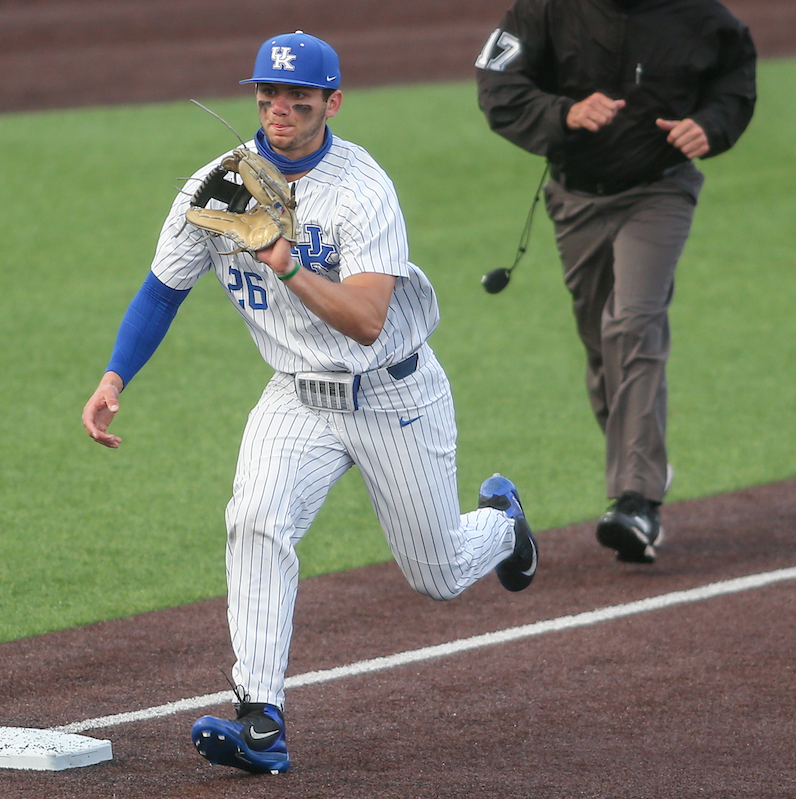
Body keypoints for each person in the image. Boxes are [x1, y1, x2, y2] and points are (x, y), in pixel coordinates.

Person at [82, 31, 538, 775]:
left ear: (333, 102)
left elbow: (367, 320)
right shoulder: (218, 186)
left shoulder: (363, 190)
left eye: (299, 98)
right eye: (270, 95)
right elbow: (162, 290)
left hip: (393, 392)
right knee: (255, 519)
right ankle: (260, 719)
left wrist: (286, 263)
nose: (281, 109)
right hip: (296, 397)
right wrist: (114, 377)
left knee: (438, 572)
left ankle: (504, 525)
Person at [475, 0, 756, 564]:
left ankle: (637, 501)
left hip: (660, 190)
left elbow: (735, 77)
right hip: (575, 197)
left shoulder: (699, 14)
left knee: (633, 323)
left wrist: (712, 124)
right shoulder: (545, 8)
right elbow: (497, 85)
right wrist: (564, 113)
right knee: (603, 347)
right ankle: (643, 462)